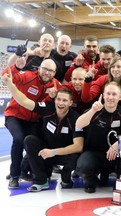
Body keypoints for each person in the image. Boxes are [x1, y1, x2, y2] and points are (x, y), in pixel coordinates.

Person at [2, 70, 84, 192]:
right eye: (59, 99)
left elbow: (78, 146)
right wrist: (10, 84)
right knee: (29, 140)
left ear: (71, 103)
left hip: (64, 155)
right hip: (47, 153)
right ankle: (41, 181)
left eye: (65, 101)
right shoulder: (47, 109)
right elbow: (24, 101)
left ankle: (66, 177)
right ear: (55, 100)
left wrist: (54, 152)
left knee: (75, 158)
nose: (61, 103)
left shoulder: (76, 118)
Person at [2, 58, 61, 189]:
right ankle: (14, 176)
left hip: (33, 120)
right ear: (39, 68)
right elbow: (7, 76)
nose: (47, 73)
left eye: (50, 71)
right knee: (18, 140)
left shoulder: (56, 85)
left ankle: (27, 171)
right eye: (45, 69)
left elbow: (62, 98)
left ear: (55, 72)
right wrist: (16, 67)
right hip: (15, 116)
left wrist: (52, 97)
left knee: (35, 143)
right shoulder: (28, 75)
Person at [75, 82, 121, 193]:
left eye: (114, 94)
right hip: (94, 153)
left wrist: (117, 144)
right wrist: (92, 111)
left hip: (115, 155)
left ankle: (119, 182)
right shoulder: (95, 110)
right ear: (103, 95)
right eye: (108, 94)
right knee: (82, 167)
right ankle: (92, 181)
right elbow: (78, 124)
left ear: (120, 96)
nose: (110, 97)